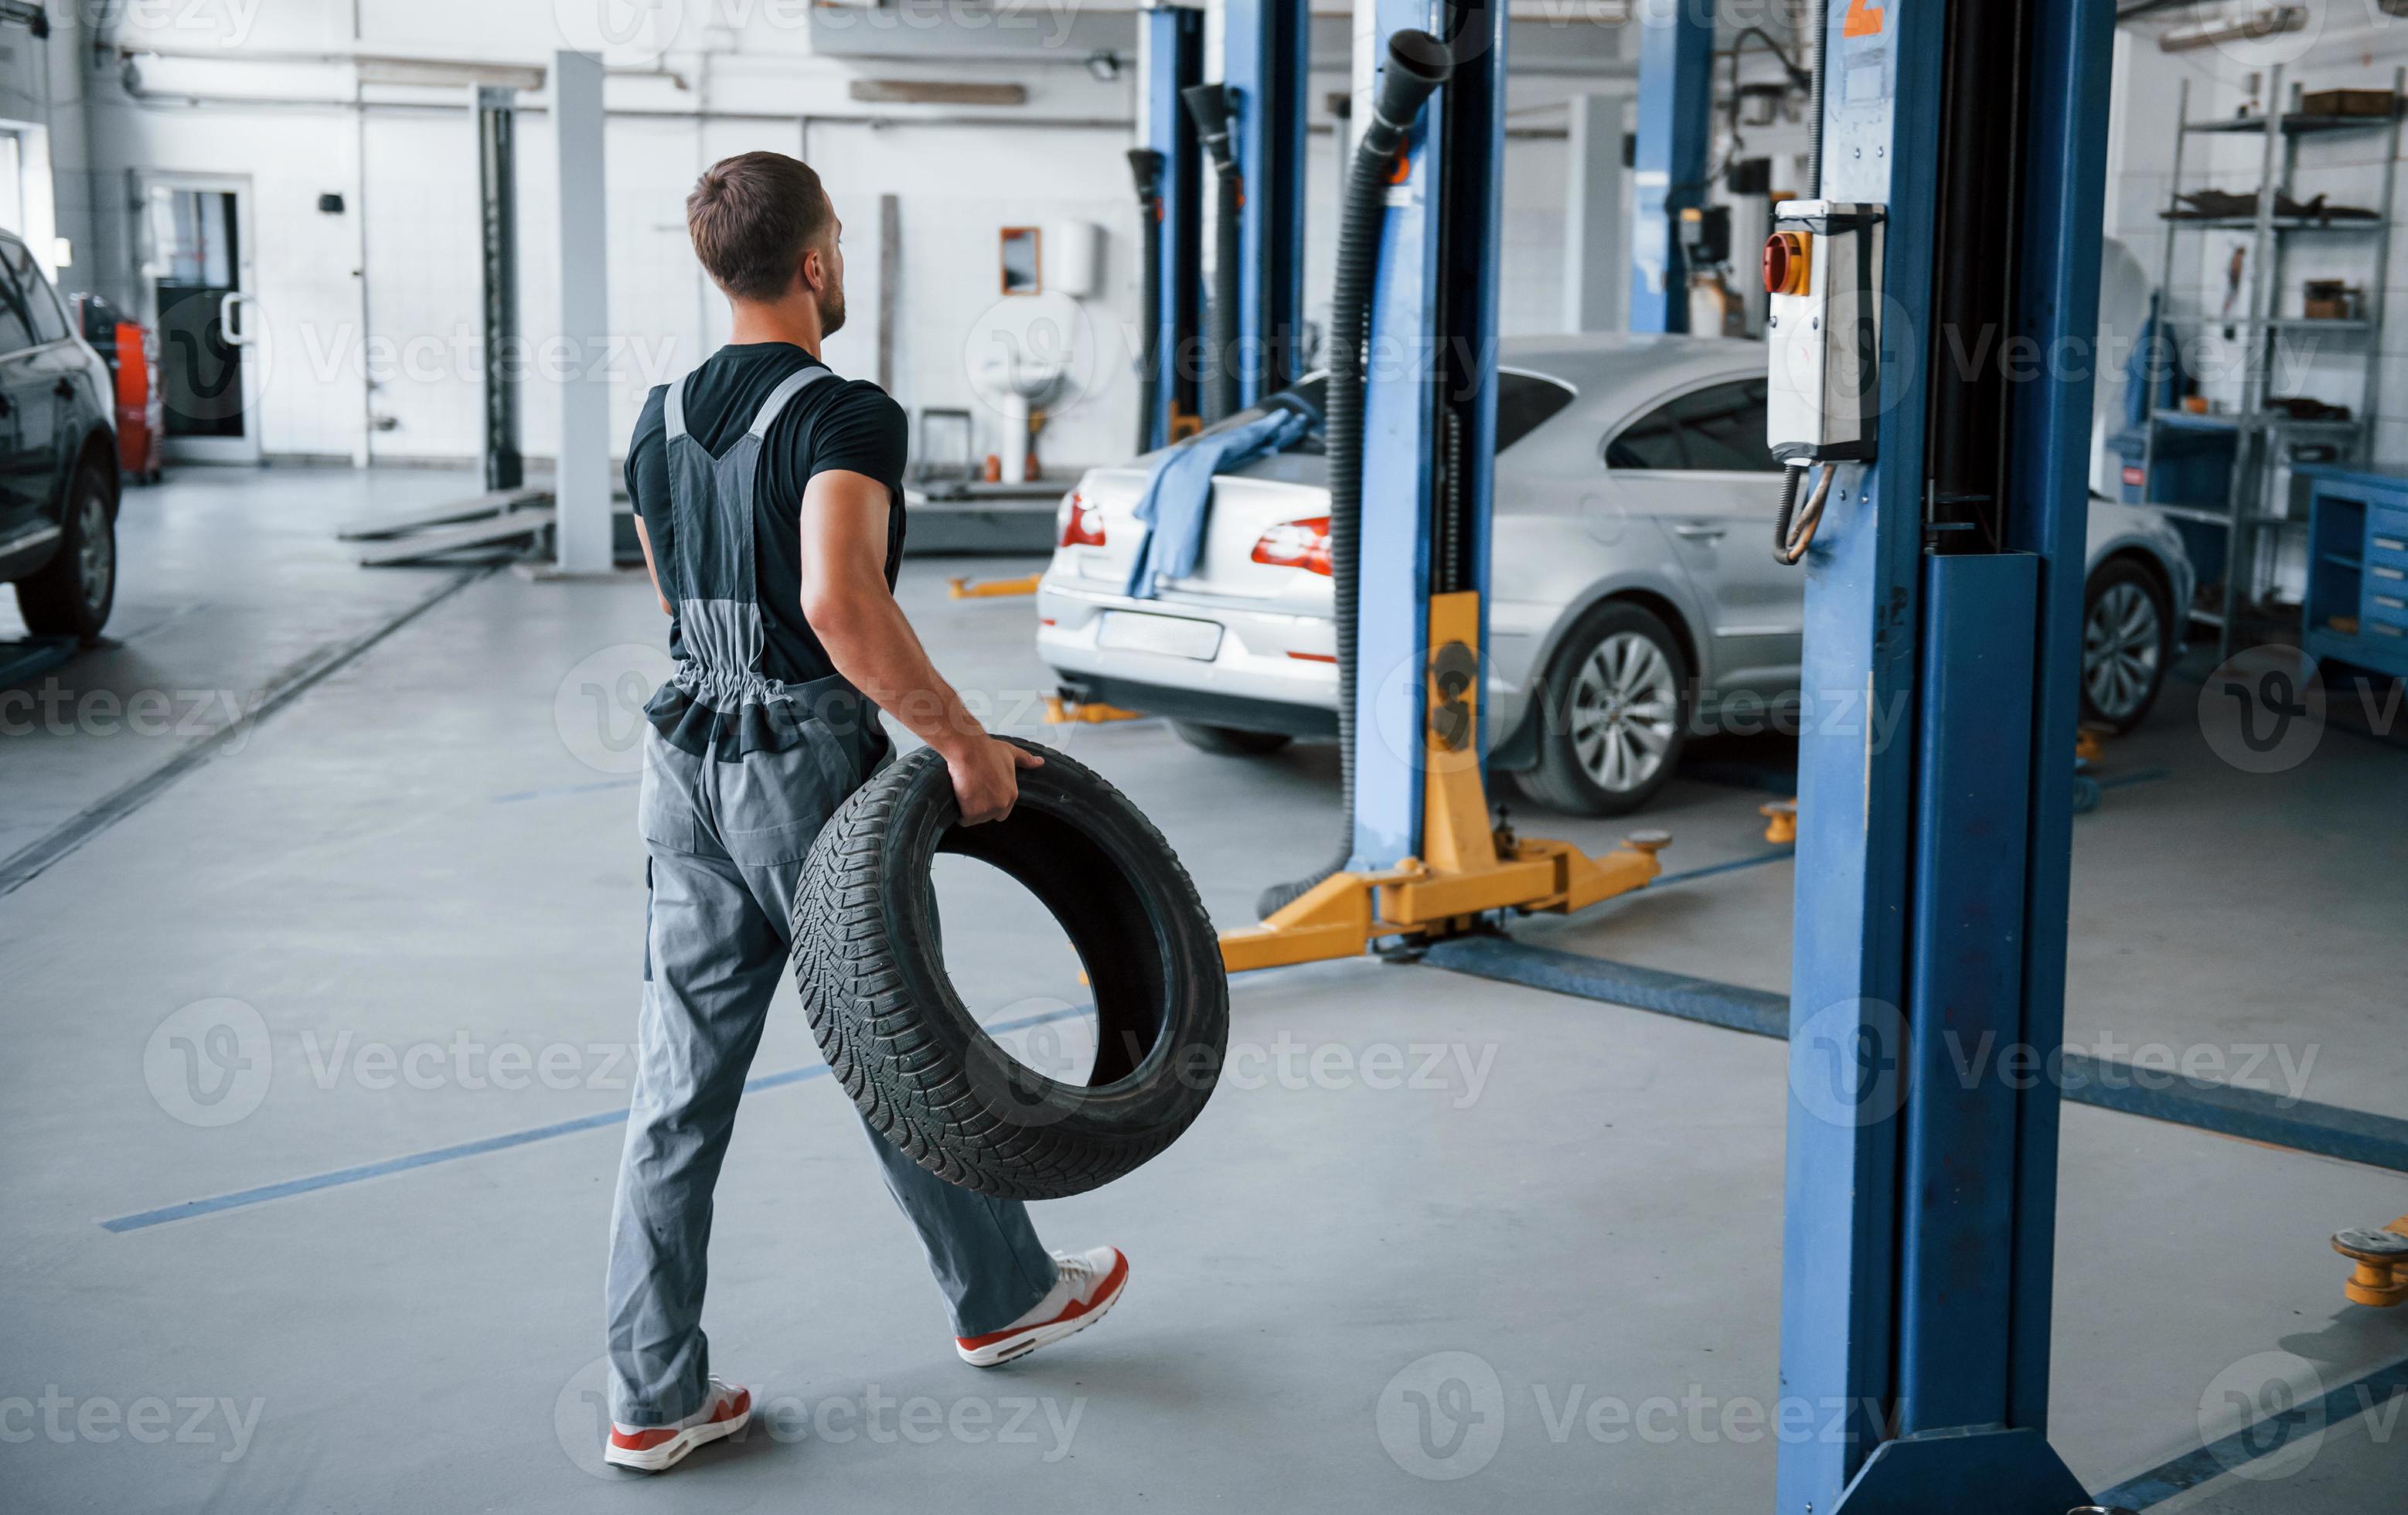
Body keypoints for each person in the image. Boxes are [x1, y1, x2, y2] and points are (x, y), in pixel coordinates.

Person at [601, 151, 1127, 1475]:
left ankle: (652, 1392)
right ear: (819, 262)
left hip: (684, 761)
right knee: (900, 1044)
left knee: (677, 1090)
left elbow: (677, 601)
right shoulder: (845, 414)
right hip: (799, 767)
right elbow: (840, 607)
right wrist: (960, 742)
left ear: (720, 264)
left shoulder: (657, 419)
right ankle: (1004, 1298)